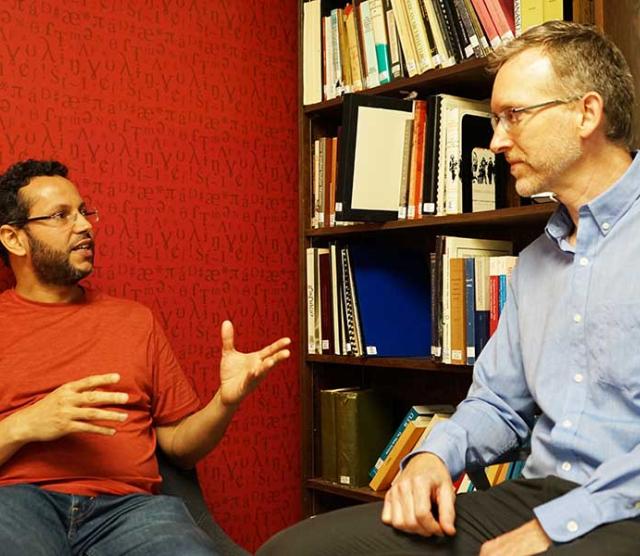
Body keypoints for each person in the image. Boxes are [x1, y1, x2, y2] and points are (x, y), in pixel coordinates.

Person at [258, 20, 640, 556]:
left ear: (587, 112)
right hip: (541, 494)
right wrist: (432, 458)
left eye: (515, 116)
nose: (497, 140)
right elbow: (499, 403)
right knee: (295, 551)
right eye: (495, 119)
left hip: (628, 503)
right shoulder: (534, 264)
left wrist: (563, 525)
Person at [0, 159, 291, 555]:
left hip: (128, 511)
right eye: (61, 216)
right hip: (17, 504)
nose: (85, 226)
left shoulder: (135, 320)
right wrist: (26, 424)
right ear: (14, 239)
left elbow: (180, 447)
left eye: (84, 212)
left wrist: (224, 402)